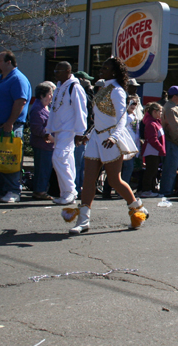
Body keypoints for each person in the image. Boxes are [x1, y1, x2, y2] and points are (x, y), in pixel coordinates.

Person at [62, 57, 148, 234]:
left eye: (105, 68)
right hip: (96, 138)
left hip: (110, 139)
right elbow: (99, 119)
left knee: (114, 180)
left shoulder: (117, 91)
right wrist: (88, 135)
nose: (101, 70)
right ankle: (83, 220)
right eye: (101, 67)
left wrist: (115, 137)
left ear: (114, 72)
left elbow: (122, 117)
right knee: (88, 180)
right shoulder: (104, 89)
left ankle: (137, 208)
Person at [0, 51, 31, 203]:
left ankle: (13, 190)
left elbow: (20, 101)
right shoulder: (0, 79)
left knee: (10, 159)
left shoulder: (17, 79)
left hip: (9, 127)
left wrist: (10, 122)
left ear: (9, 62)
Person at [44, 62, 88, 205]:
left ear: (68, 71)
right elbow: (53, 111)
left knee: (59, 158)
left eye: (59, 70)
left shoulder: (75, 87)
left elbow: (81, 110)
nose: (56, 73)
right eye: (55, 70)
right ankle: (66, 193)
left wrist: (80, 131)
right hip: (59, 130)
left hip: (69, 130)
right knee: (67, 160)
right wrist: (48, 129)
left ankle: (69, 191)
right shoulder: (58, 88)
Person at [29, 81, 56, 200]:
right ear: (42, 95)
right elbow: (36, 128)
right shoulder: (37, 109)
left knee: (45, 169)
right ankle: (39, 191)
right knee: (42, 169)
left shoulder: (46, 107)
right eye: (49, 94)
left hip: (48, 145)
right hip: (42, 145)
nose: (51, 96)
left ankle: (41, 189)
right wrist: (49, 135)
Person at [160, 86, 178, 196]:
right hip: (173, 143)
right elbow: (174, 128)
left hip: (172, 142)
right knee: (170, 169)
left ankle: (167, 190)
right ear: (174, 96)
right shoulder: (171, 109)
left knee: (170, 168)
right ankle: (166, 191)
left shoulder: (171, 107)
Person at [139, 103, 167, 199]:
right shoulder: (151, 123)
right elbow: (152, 139)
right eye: (160, 111)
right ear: (154, 112)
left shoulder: (156, 122)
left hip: (155, 151)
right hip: (151, 151)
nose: (161, 113)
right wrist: (161, 148)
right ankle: (146, 190)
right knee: (150, 171)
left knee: (154, 171)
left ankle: (151, 189)